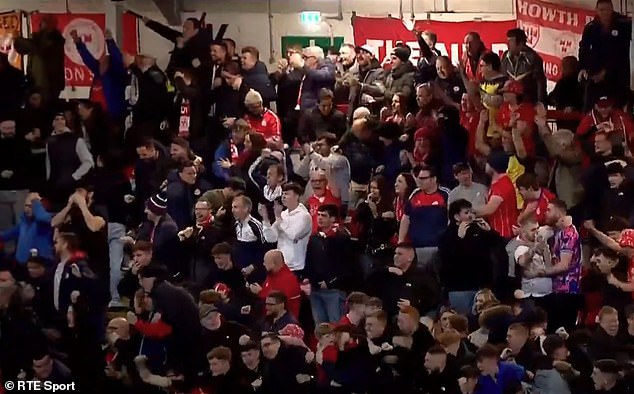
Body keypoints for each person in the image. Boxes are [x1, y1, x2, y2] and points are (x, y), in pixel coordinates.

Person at [439, 199, 498, 315]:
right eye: (466, 213)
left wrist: (490, 231)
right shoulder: (447, 235)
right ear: (456, 216)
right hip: (460, 288)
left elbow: (497, 245)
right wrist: (459, 238)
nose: (471, 215)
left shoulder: (478, 230)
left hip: (482, 286)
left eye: (471, 212)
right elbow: (448, 259)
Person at [304, 204, 354, 324]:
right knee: (320, 327)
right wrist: (308, 280)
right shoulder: (314, 239)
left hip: (334, 290)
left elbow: (347, 266)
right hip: (315, 290)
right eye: (319, 215)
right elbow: (309, 261)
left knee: (336, 325)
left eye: (324, 215)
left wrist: (331, 282)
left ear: (332, 219)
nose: (320, 218)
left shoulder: (342, 239)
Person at [579, 0, 632, 109]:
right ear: (597, 10)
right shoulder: (591, 27)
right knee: (590, 109)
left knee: (617, 110)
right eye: (601, 10)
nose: (604, 13)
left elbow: (621, 52)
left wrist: (605, 72)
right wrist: (583, 68)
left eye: (607, 9)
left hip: (618, 78)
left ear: (612, 9)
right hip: (596, 77)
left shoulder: (624, 24)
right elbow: (584, 49)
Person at [366, 243, 441, 318]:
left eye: (399, 254)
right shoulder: (387, 273)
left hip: (412, 316)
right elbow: (367, 280)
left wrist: (413, 306)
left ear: (410, 258)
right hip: (385, 316)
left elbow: (434, 299)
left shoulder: (421, 276)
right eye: (395, 253)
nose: (395, 256)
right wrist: (387, 270)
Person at [542, 199, 582, 332]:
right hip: (558, 289)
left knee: (562, 332)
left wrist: (540, 272)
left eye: (549, 210)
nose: (545, 213)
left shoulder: (568, 234)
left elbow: (564, 265)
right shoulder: (559, 231)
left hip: (567, 290)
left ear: (559, 212)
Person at [398, 165, 448, 267]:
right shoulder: (415, 195)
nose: (419, 181)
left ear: (434, 179)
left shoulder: (445, 194)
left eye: (423, 178)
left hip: (437, 247)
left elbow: (451, 218)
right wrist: (401, 241)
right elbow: (406, 218)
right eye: (419, 178)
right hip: (416, 247)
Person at [71, 29, 126, 120]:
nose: (101, 61)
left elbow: (117, 59)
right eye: (101, 60)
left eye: (105, 60)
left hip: (110, 117)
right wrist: (78, 43)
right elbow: (87, 58)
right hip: (95, 117)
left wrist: (110, 41)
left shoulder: (115, 76)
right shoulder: (98, 72)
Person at [261, 183, 312, 275]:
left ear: (297, 196)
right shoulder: (283, 214)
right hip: (280, 265)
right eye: (283, 194)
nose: (283, 196)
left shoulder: (304, 216)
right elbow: (271, 238)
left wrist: (278, 218)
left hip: (296, 266)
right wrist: (265, 220)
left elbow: (293, 235)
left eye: (287, 194)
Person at [141, 15, 212, 80]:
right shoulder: (182, 38)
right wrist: (149, 23)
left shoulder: (202, 45)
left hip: (186, 82)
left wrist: (180, 47)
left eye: (187, 28)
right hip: (173, 77)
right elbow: (165, 31)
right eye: (183, 27)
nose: (184, 30)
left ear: (196, 31)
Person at [14, 14, 65, 104]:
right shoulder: (40, 39)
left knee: (44, 108)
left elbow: (41, 50)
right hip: (35, 82)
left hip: (48, 84)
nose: (41, 25)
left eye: (44, 22)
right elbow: (21, 49)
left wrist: (21, 41)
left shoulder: (55, 41)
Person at [474, 151, 518, 239]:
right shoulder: (498, 183)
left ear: (492, 166)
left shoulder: (502, 185)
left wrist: (467, 212)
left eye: (488, 163)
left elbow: (489, 209)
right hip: (498, 232)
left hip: (503, 234)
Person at [249, 250, 301, 319]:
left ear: (274, 264)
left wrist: (260, 292)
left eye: (265, 262)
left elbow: (279, 303)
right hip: (268, 318)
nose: (263, 264)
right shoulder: (271, 275)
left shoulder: (288, 280)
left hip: (283, 322)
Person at [500, 28, 547, 103]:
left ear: (521, 43)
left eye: (511, 41)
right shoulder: (505, 56)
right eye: (507, 41)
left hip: (528, 100)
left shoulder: (533, 58)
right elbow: (503, 78)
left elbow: (540, 83)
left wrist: (540, 102)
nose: (508, 44)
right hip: (511, 102)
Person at [297, 46, 336, 112]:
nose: (303, 60)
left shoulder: (327, 66)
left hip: (316, 112)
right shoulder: (309, 70)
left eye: (305, 57)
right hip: (305, 111)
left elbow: (325, 76)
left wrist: (303, 66)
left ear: (315, 58)